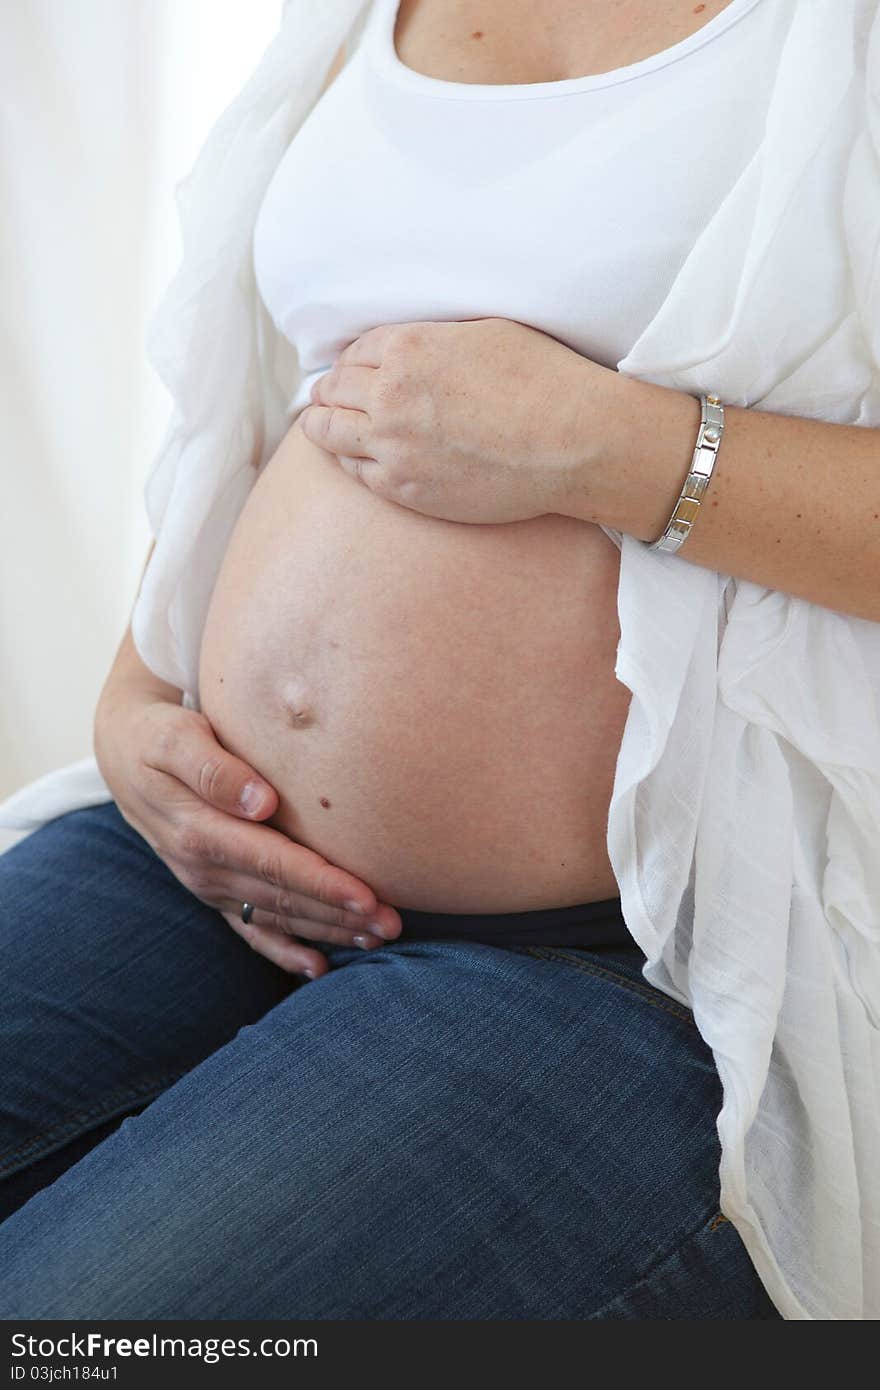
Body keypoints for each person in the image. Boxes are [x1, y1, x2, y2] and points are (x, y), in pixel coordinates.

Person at [0, 0, 878, 1320]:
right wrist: (136, 695)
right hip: (199, 857)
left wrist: (624, 450)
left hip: (619, 957)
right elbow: (261, 390)